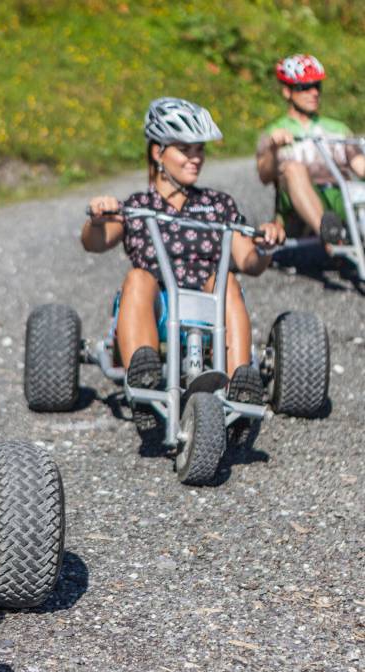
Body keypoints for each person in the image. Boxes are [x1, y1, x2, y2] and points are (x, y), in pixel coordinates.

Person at [81, 97, 284, 431]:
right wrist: (98, 217)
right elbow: (94, 243)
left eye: (199, 150)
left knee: (228, 281)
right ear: (158, 152)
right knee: (138, 277)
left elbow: (249, 262)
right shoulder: (137, 206)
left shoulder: (218, 206)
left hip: (209, 307)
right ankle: (143, 381)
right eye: (185, 150)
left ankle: (239, 385)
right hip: (155, 309)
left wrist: (265, 246)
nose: (196, 158)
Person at [256, 54, 365, 245]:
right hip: (295, 206)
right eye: (305, 87)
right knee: (293, 169)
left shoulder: (337, 129)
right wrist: (273, 148)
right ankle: (330, 238)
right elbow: (265, 176)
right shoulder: (274, 132)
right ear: (287, 92)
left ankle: (340, 234)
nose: (314, 92)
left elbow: (361, 168)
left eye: (317, 86)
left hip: (338, 197)